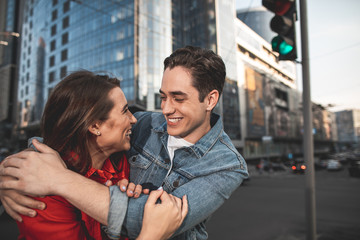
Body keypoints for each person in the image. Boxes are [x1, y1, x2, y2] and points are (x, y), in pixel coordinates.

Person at [0, 46, 248, 239]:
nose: (166, 109)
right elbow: (70, 136)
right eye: (163, 97)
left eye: (178, 98)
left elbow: (143, 220)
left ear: (210, 99)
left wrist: (56, 178)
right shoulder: (143, 125)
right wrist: (13, 172)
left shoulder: (226, 165)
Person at [0, 71, 188, 240]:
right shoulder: (41, 194)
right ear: (95, 126)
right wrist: (152, 234)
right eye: (124, 111)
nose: (133, 119)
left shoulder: (122, 161)